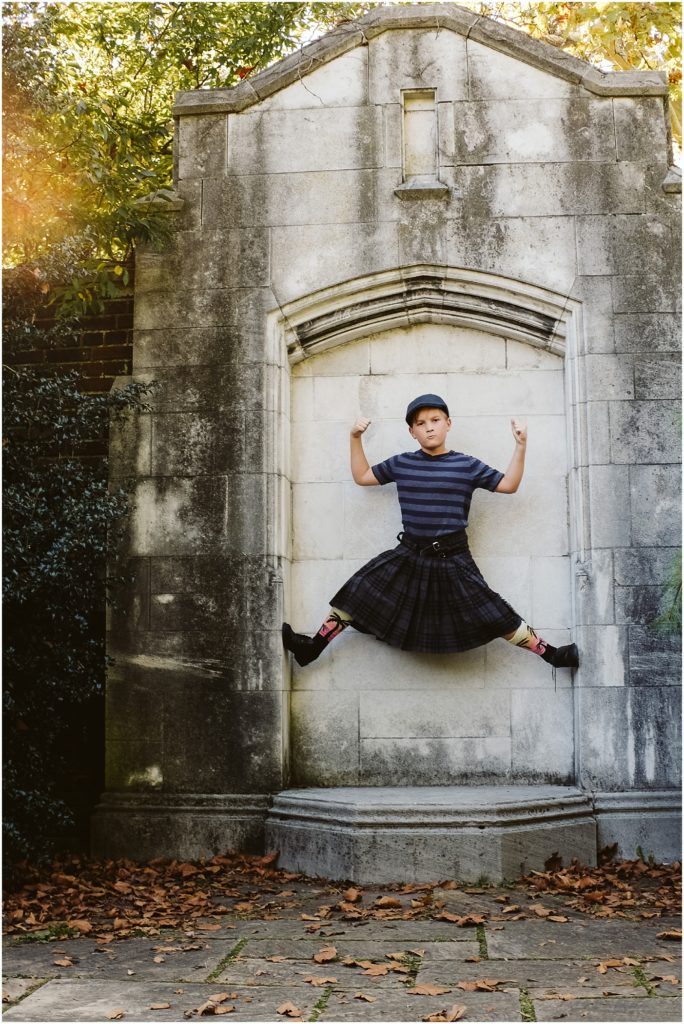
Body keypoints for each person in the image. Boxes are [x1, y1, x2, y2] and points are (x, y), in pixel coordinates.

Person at [282, 393, 579, 673]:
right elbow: (362, 476)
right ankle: (312, 648)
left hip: (454, 558)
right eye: (420, 424)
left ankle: (553, 656)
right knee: (358, 593)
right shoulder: (402, 463)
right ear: (412, 432)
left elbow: (509, 484)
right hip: (409, 553)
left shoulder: (466, 464)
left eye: (435, 420)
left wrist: (521, 446)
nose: (429, 428)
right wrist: (355, 437)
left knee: (494, 614)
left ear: (448, 424)